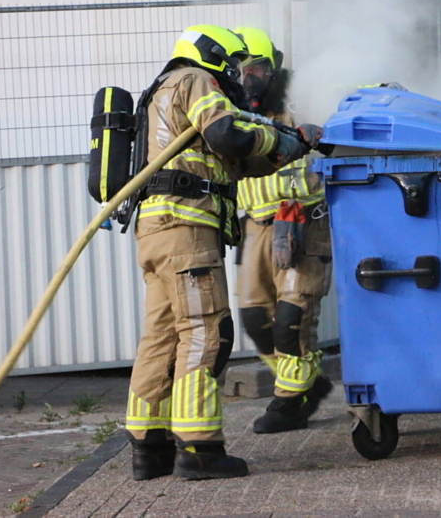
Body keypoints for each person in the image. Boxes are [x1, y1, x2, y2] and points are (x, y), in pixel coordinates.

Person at [124, 25, 321, 481]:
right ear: (212, 55)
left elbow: (232, 162)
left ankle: (148, 447)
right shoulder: (195, 79)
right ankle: (199, 448)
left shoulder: (162, 90)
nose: (235, 75)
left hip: (155, 230)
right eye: (232, 65)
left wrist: (292, 147)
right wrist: (280, 138)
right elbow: (228, 136)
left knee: (162, 338)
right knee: (206, 333)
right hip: (187, 229)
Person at [232, 26, 334, 434]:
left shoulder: (303, 96)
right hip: (254, 222)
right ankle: (309, 381)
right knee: (255, 317)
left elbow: (332, 133)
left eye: (255, 68)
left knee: (292, 316)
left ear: (272, 68)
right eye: (238, 70)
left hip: (304, 220)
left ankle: (291, 399)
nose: (246, 78)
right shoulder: (230, 107)